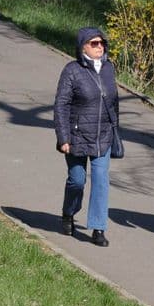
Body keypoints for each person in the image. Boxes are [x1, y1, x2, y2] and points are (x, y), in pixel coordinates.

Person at [54, 27, 119, 247]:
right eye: (94, 43)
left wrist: (114, 127)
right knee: (77, 181)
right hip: (77, 136)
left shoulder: (109, 69)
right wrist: (63, 138)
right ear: (83, 47)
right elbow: (61, 105)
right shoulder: (71, 70)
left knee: (101, 180)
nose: (99, 46)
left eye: (101, 43)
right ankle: (68, 212)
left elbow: (113, 102)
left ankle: (98, 228)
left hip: (103, 137)